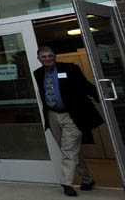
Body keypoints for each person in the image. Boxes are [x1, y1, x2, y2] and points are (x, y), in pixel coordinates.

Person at [33, 45, 103, 197]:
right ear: (39, 59)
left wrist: (101, 97)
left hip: (72, 115)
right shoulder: (38, 73)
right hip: (52, 116)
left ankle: (66, 183)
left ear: (55, 56)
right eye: (44, 56)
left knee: (69, 150)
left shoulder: (69, 68)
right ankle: (87, 179)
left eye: (50, 55)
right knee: (68, 150)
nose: (48, 59)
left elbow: (84, 85)